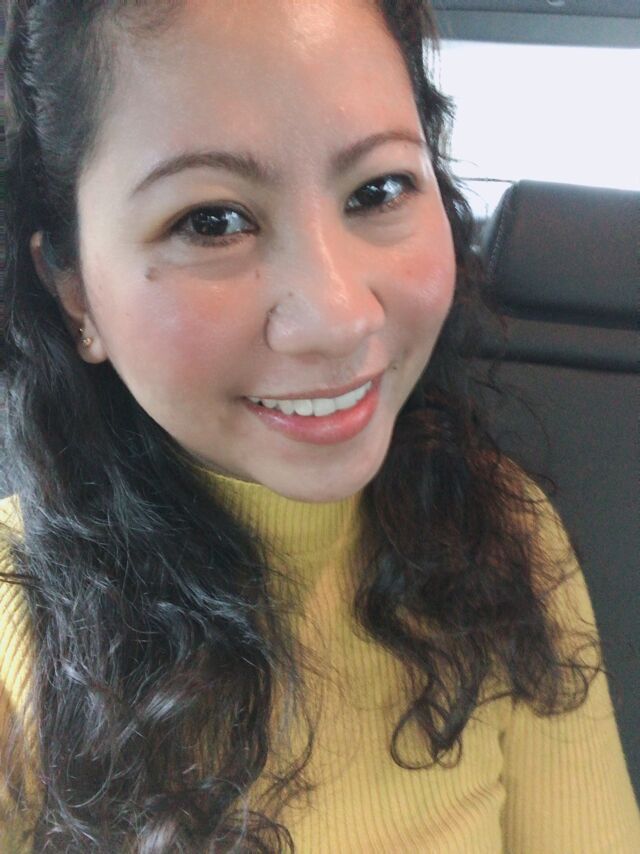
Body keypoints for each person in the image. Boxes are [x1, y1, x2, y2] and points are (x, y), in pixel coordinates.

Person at [0, 0, 638, 851]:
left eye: (378, 189)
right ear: (74, 288)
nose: (339, 318)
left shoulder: (504, 534)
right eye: (211, 221)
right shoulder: (15, 641)